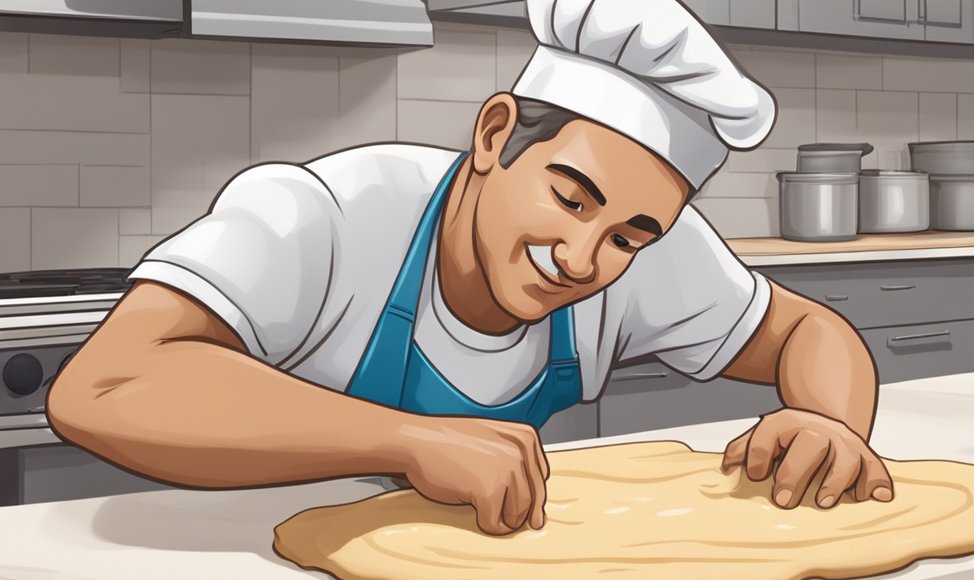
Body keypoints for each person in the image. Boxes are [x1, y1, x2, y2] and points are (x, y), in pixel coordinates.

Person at [47, 0, 894, 536]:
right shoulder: (331, 215)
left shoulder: (642, 253)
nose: (582, 259)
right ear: (493, 135)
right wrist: (409, 443)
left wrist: (833, 426)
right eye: (568, 198)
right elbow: (106, 387)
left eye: (629, 237)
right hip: (252, 568)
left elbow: (807, 330)